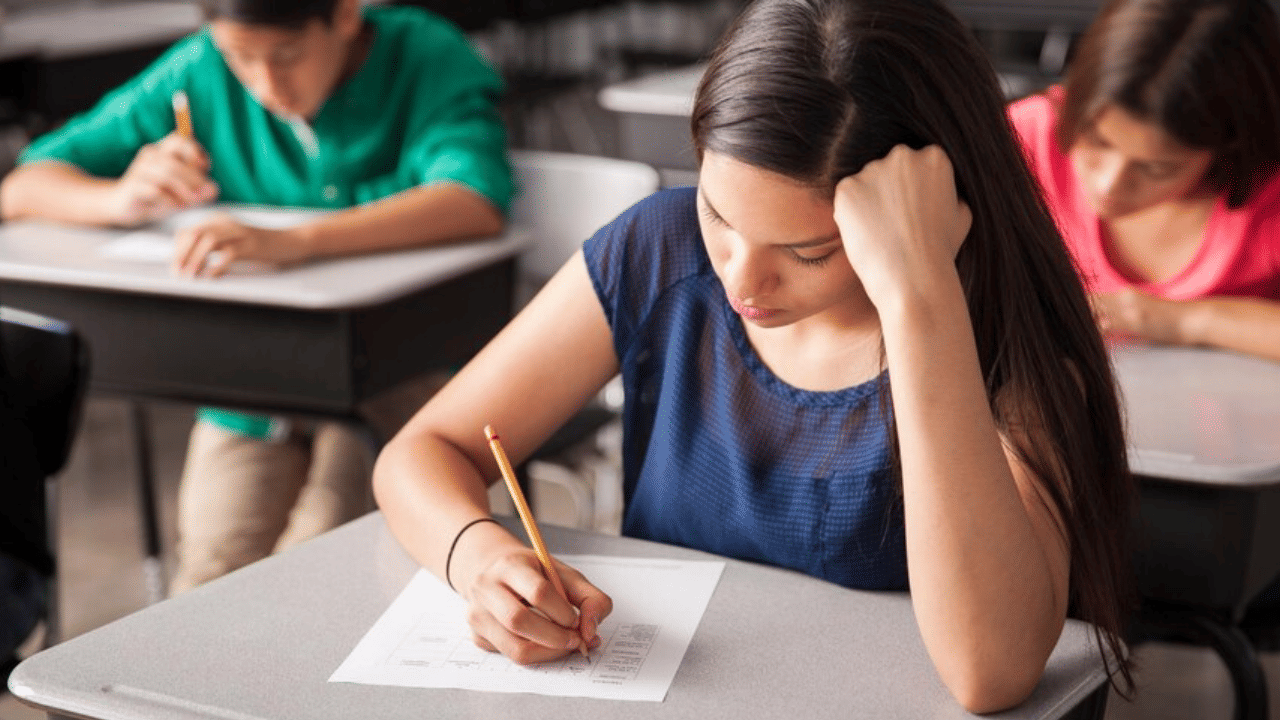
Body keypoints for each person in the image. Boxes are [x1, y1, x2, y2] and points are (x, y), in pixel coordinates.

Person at [372, 0, 1134, 712]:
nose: (740, 278)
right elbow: (423, 452)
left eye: (807, 253)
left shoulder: (995, 336)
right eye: (718, 212)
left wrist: (919, 298)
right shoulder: (659, 249)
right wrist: (481, 562)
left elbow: (989, 671)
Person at [0, 0, 514, 595]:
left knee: (323, 568)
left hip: (404, 373)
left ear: (345, 14)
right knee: (209, 572)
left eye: (288, 56)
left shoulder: (424, 54)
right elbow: (23, 184)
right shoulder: (200, 69)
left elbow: (472, 199)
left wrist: (299, 240)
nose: (266, 85)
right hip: (256, 382)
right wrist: (119, 198)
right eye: (241, 59)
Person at [1008, 0, 1280, 362]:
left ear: (1226, 150)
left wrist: (1180, 320)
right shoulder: (1025, 140)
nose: (1108, 185)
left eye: (1156, 168)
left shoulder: (1269, 198)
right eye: (1095, 140)